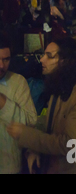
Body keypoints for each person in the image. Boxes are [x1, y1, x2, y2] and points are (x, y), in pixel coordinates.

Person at [7, 37, 76, 174]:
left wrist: (26, 135)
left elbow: (70, 145)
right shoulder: (59, 90)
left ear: (64, 62)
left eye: (49, 56)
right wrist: (34, 149)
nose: (42, 60)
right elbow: (49, 123)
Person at [0, 32, 37, 174]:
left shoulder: (17, 82)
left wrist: (4, 104)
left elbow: (30, 123)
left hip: (9, 168)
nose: (1, 65)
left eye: (6, 59)